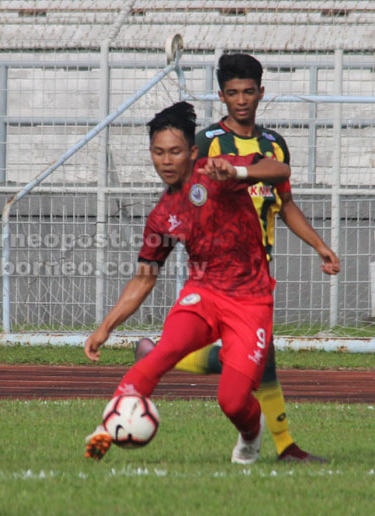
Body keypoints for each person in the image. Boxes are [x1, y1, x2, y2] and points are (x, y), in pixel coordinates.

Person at [134, 53, 340, 463]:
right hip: (219, 273)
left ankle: (162, 355)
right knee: (258, 358)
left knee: (261, 359)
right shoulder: (207, 143)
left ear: (261, 93)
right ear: (221, 96)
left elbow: (285, 203)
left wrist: (318, 244)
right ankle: (285, 446)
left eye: (248, 92)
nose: (241, 101)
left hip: (258, 268)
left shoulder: (273, 145)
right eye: (232, 93)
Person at [84, 101, 291, 464]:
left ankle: (252, 432)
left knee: (232, 400)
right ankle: (108, 427)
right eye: (159, 152)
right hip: (204, 293)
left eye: (175, 151)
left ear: (192, 152)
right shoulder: (161, 216)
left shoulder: (216, 171)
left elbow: (279, 169)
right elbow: (144, 278)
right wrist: (105, 328)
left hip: (250, 300)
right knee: (162, 352)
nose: (166, 160)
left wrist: (237, 174)